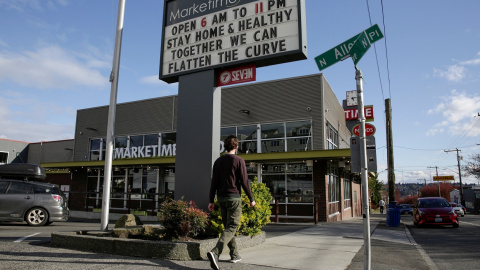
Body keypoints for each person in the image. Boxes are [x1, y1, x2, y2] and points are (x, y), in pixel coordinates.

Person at [207, 135, 256, 270]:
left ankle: (234, 254)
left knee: (228, 228)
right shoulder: (239, 160)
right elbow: (245, 182)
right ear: (236, 146)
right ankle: (215, 252)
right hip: (234, 198)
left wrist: (211, 200)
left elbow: (214, 182)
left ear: (225, 146)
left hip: (221, 198)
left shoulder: (217, 162)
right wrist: (251, 199)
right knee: (232, 227)